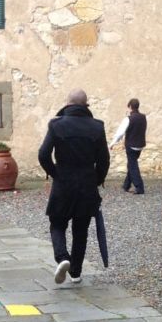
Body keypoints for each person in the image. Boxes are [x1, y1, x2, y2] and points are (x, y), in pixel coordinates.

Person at [38, 88, 110, 285]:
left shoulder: (56, 125)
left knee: (57, 224)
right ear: (86, 106)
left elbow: (43, 154)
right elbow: (104, 160)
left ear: (67, 104)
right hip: (87, 184)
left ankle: (63, 258)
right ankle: (76, 272)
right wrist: (96, 180)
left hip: (63, 182)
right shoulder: (97, 127)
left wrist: (55, 174)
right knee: (81, 229)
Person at [110, 98, 147, 194]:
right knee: (131, 164)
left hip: (131, 145)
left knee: (133, 165)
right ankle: (126, 185)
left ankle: (139, 188)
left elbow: (120, 133)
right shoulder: (143, 117)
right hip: (140, 145)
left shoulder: (128, 119)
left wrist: (112, 143)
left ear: (130, 106)